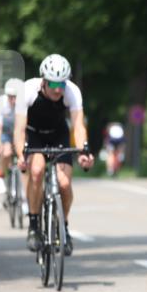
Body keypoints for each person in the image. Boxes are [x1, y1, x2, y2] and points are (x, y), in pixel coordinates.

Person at [14, 54, 94, 255]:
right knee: (38, 171)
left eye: (62, 84)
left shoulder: (72, 91)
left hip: (58, 134)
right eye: (53, 84)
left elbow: (77, 124)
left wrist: (84, 150)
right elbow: (19, 129)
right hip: (34, 135)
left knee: (65, 184)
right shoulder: (28, 90)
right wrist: (20, 155)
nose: (58, 89)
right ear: (43, 80)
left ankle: (63, 227)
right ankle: (33, 226)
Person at [0, 78, 22, 194]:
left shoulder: (23, 103)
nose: (13, 100)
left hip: (19, 131)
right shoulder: (1, 103)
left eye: (16, 97)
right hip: (5, 132)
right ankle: (0, 176)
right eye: (11, 97)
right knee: (7, 152)